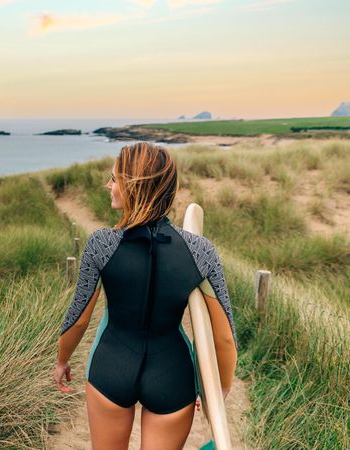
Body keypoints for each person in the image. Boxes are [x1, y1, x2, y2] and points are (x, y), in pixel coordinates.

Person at [52, 142, 238, 449]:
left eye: (114, 178)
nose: (108, 185)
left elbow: (78, 319)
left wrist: (62, 360)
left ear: (134, 186)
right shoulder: (200, 250)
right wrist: (218, 389)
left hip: (111, 368)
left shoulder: (101, 244)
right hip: (172, 375)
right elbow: (224, 338)